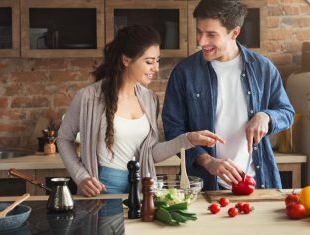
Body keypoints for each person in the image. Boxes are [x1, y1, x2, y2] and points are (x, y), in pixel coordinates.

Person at [58, 25, 224, 197]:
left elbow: (150, 154)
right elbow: (63, 138)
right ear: (126, 60)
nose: (156, 68)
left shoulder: (149, 99)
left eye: (157, 60)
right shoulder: (88, 97)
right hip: (103, 187)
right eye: (149, 62)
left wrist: (188, 139)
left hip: (142, 187)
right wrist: (81, 177)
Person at [162, 0, 295, 191]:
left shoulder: (263, 68)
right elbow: (173, 130)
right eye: (199, 32)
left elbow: (287, 113)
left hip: (257, 183)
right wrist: (207, 161)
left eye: (211, 35)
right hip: (204, 186)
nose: (201, 42)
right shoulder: (184, 72)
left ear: (234, 33)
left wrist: (265, 116)